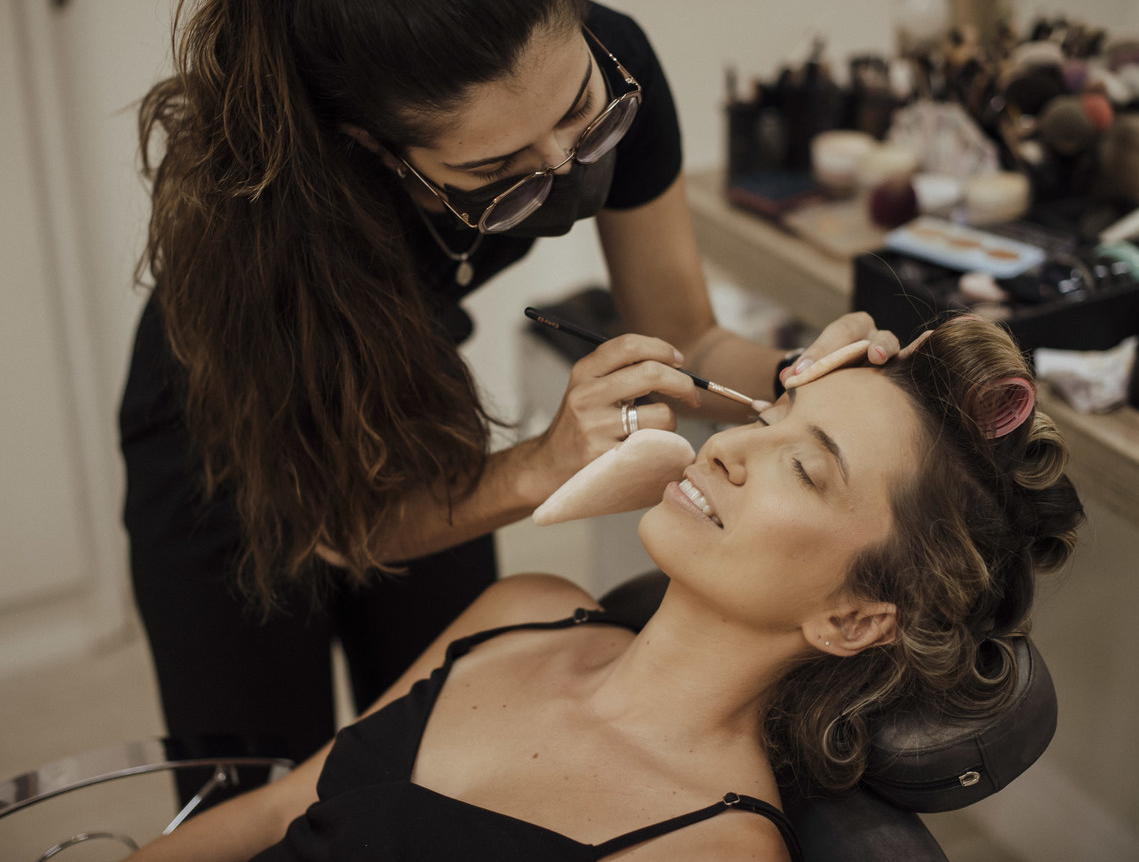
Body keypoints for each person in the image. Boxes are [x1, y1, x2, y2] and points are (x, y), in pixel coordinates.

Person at [120, 0, 907, 798]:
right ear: (372, 145)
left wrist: (799, 374)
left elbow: (693, 338)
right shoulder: (270, 214)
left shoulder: (616, 66)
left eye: (579, 114)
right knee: (261, 791)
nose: (565, 166)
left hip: (414, 377)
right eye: (497, 167)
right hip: (224, 431)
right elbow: (340, 528)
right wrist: (542, 462)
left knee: (440, 757)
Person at [125, 316, 1085, 861]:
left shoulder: (706, 852)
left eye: (807, 466)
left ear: (852, 616)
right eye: (774, 409)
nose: (734, 445)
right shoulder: (521, 609)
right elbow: (269, 813)